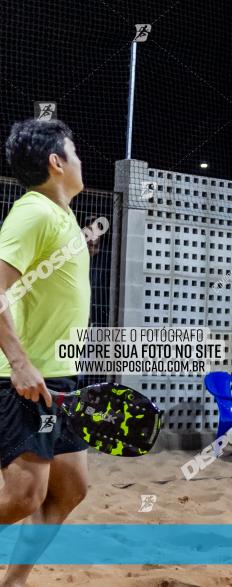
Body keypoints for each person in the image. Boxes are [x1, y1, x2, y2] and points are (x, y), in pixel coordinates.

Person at [0, 119, 91, 587]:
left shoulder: (63, 218)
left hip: (62, 379)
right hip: (25, 378)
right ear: (56, 163)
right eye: (73, 154)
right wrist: (18, 362)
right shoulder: (32, 212)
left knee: (70, 488)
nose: (80, 161)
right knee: (21, 497)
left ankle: (12, 582)